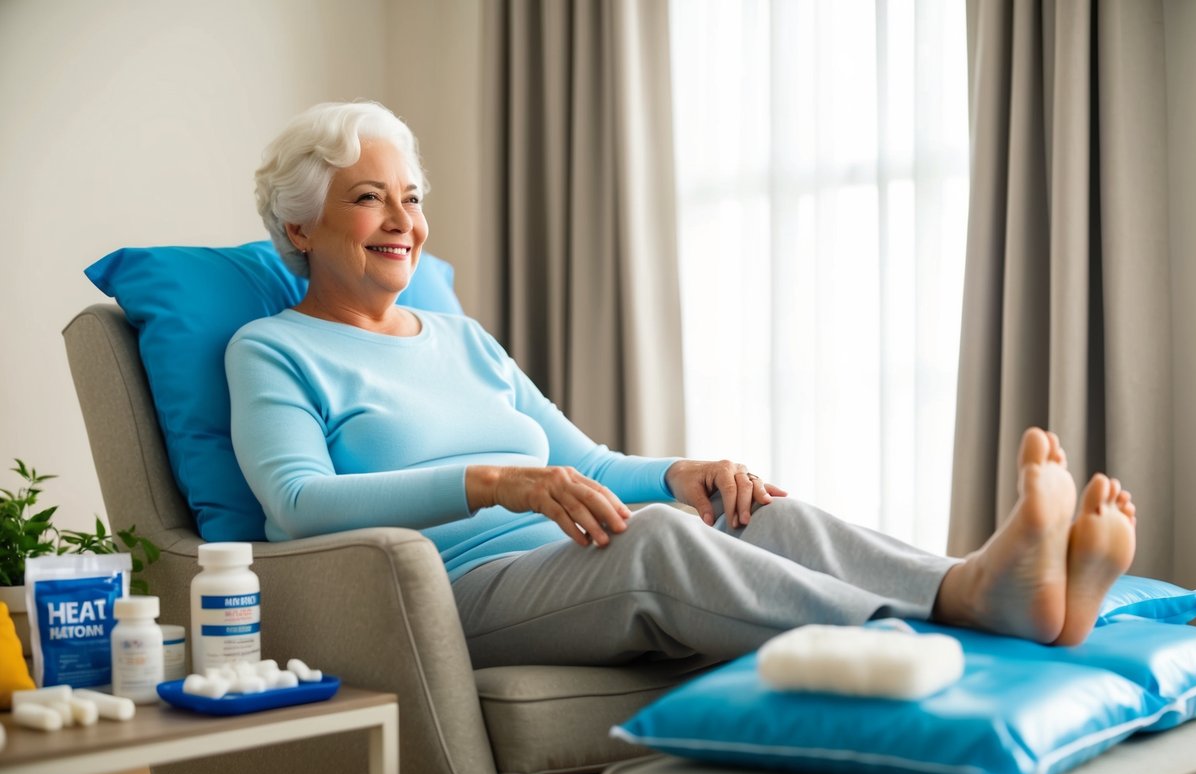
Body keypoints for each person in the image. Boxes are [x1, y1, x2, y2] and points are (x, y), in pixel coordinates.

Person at [227, 101, 1137, 671]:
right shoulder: (272, 349)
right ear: (301, 228)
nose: (403, 221)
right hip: (446, 595)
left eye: (413, 196)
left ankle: (979, 585)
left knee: (746, 511)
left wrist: (680, 475)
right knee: (657, 544)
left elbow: (580, 463)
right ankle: (952, 623)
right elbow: (298, 506)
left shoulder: (461, 339)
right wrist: (492, 482)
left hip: (553, 558)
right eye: (369, 197)